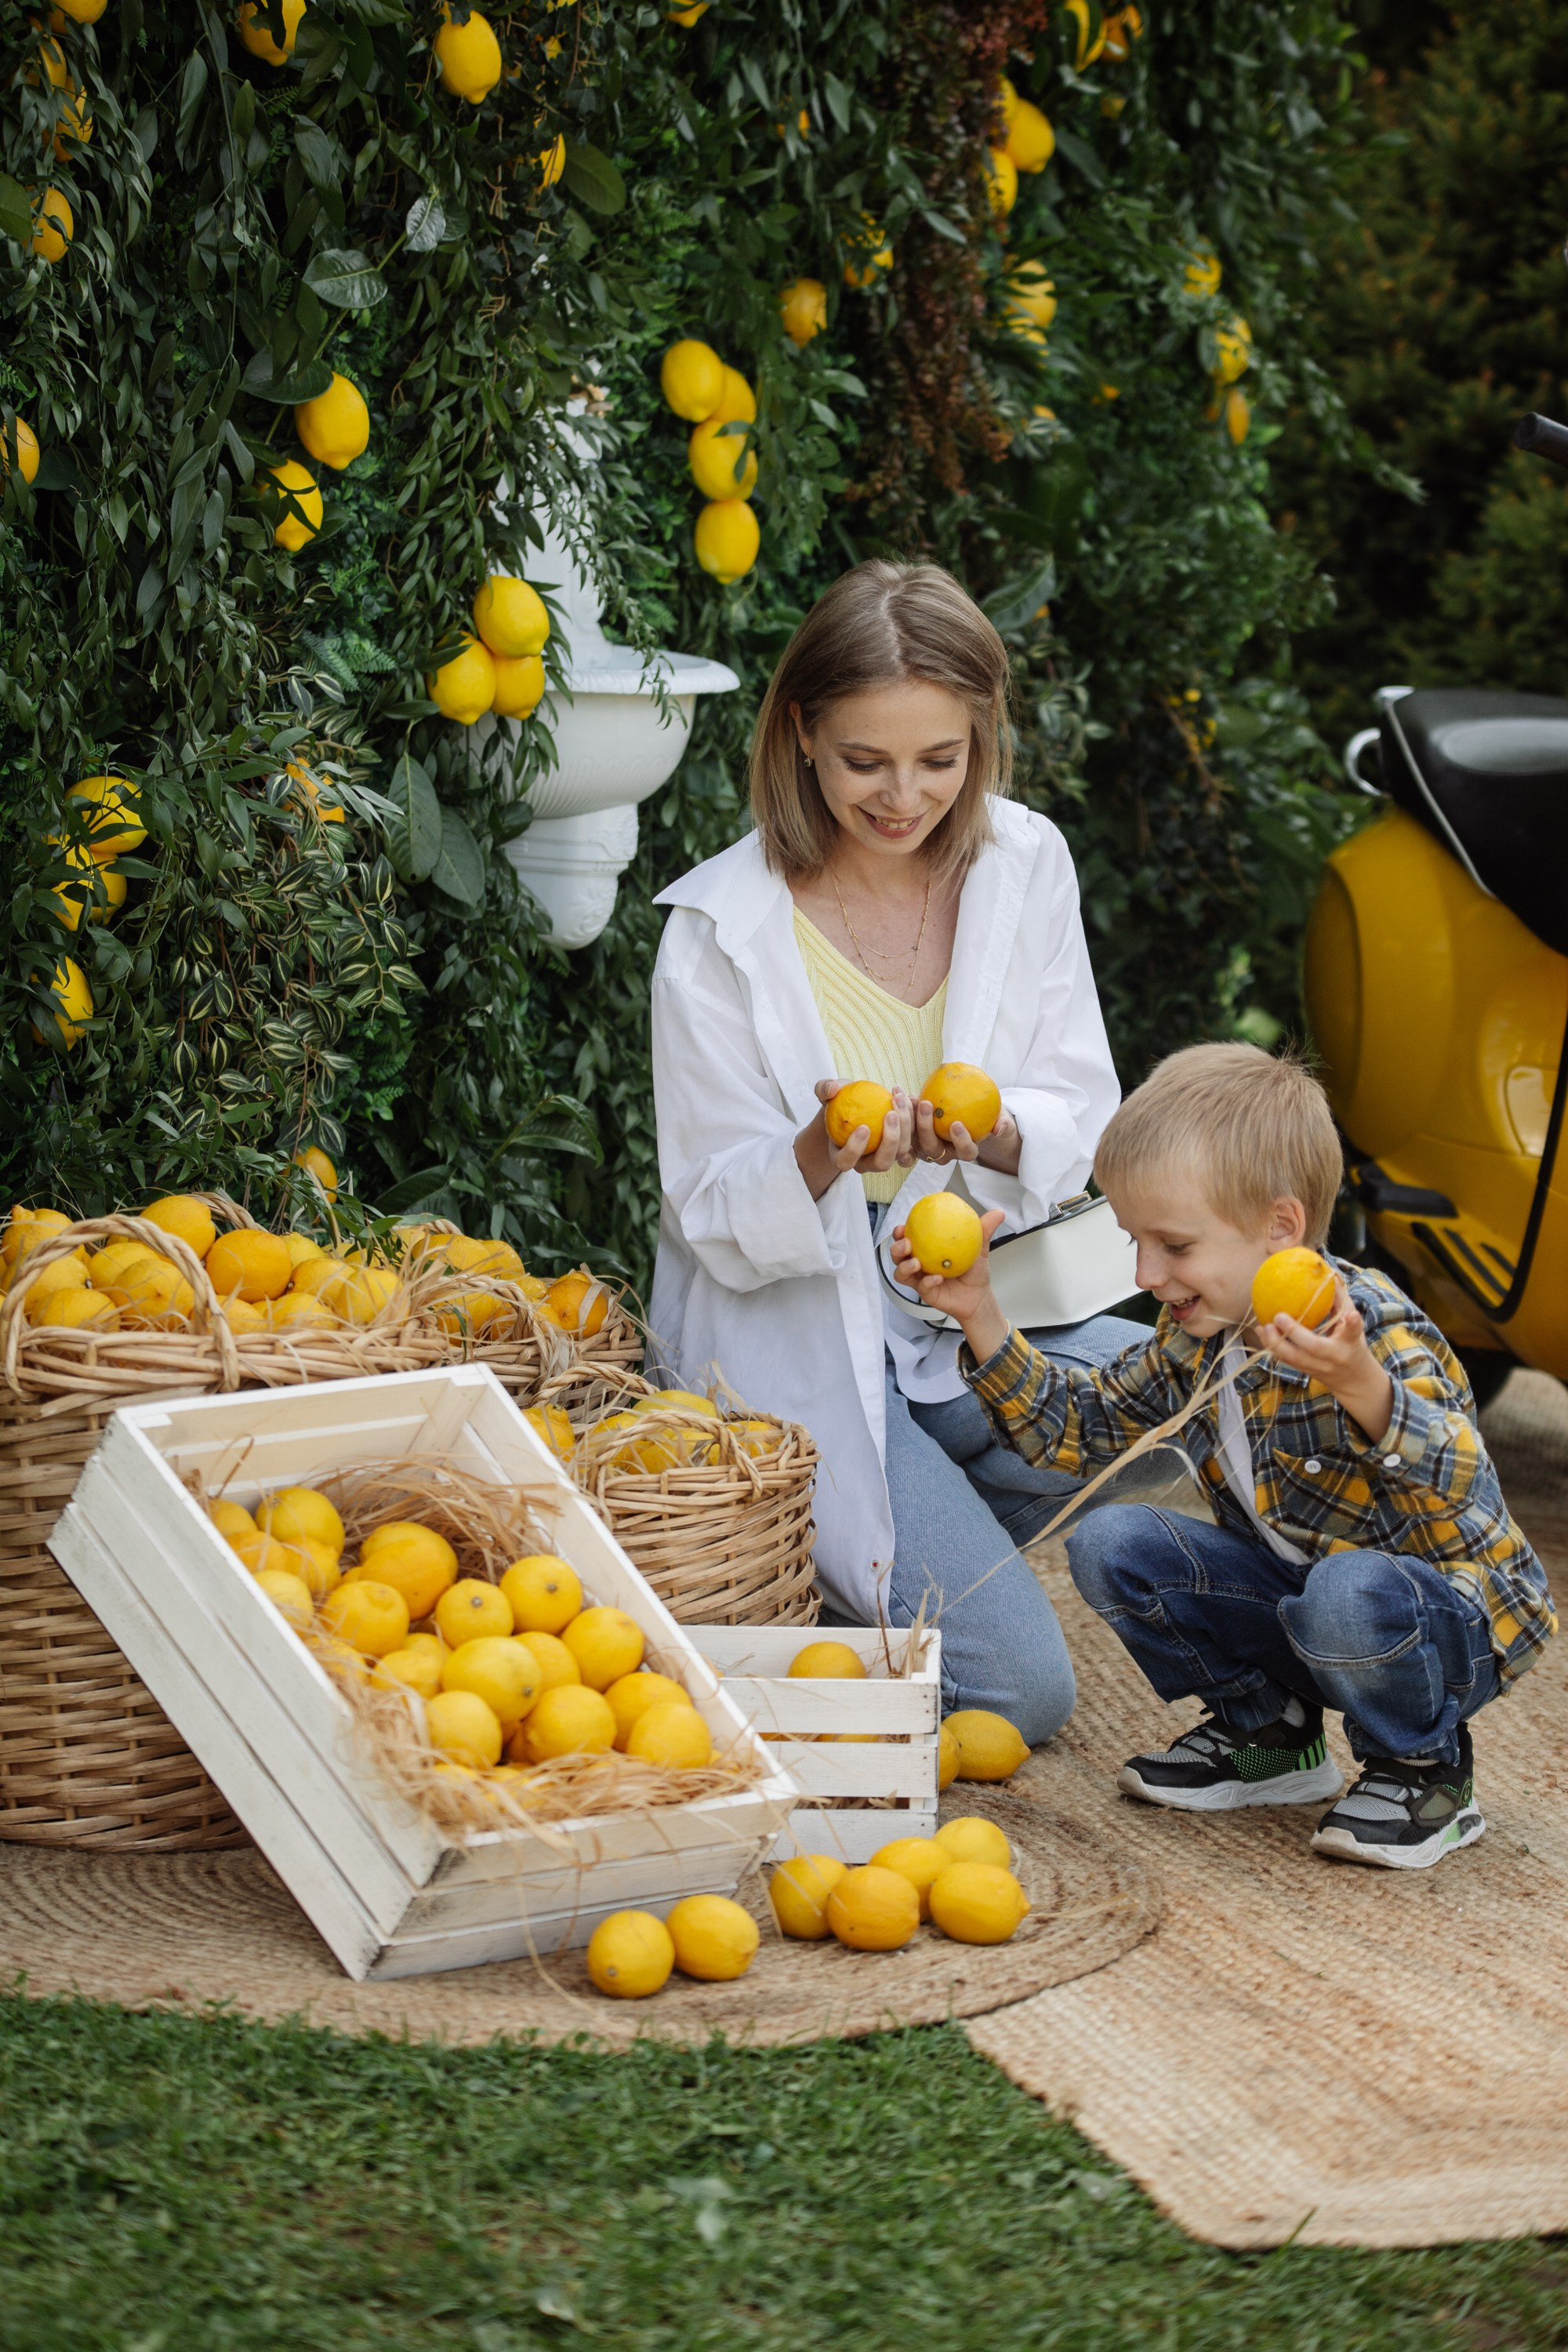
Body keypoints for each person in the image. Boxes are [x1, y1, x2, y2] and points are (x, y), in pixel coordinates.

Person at [648, 561, 1145, 1743]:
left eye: (941, 759)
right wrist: (822, 1149)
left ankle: (894, 1543)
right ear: (803, 733)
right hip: (804, 1318)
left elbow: (1082, 1099)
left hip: (967, 1286)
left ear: (981, 740)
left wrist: (1000, 1130)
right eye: (867, 759)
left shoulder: (1025, 865)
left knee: (1170, 1376)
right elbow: (709, 1211)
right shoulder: (720, 934)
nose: (904, 796)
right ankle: (863, 1553)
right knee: (1023, 1692)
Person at [891, 1040, 1555, 1870]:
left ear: (1279, 1228)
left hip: (1445, 1623)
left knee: (1348, 1591)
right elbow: (1072, 1432)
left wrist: (1358, 1384)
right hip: (1309, 1609)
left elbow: (1459, 1484)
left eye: (1172, 1246)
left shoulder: (1368, 1325)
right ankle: (1271, 1738)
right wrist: (979, 1310)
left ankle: (1424, 1765)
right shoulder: (1196, 1338)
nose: (1145, 1272)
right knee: (1114, 1545)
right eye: (1134, 1241)